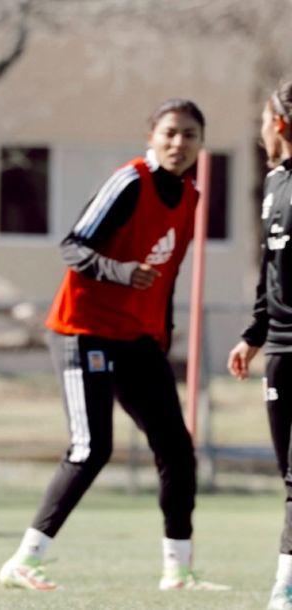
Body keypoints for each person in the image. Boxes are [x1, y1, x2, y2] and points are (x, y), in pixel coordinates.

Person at [0, 99, 227, 593]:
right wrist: (122, 272)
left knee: (177, 449)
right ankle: (24, 559)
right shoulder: (130, 182)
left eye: (189, 135)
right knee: (91, 446)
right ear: (152, 135)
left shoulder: (190, 195)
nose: (178, 143)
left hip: (136, 338)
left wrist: (161, 333)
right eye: (170, 133)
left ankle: (178, 571)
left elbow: (168, 275)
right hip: (83, 330)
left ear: (201, 143)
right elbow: (73, 246)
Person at [227, 81, 292, 610]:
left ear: (281, 123)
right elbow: (269, 271)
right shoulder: (272, 184)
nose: (259, 133)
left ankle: (285, 586)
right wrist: (253, 334)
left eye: (262, 122)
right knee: (288, 475)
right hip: (280, 352)